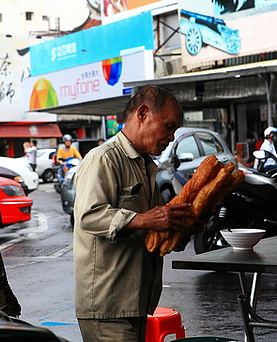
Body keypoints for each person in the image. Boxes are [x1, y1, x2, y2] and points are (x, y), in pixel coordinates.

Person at [72, 86, 195, 342]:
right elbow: (89, 216)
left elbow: (156, 230)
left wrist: (184, 225)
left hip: (135, 303)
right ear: (142, 113)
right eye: (168, 126)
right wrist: (147, 219)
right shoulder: (103, 158)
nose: (171, 137)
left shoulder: (145, 165)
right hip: (108, 306)